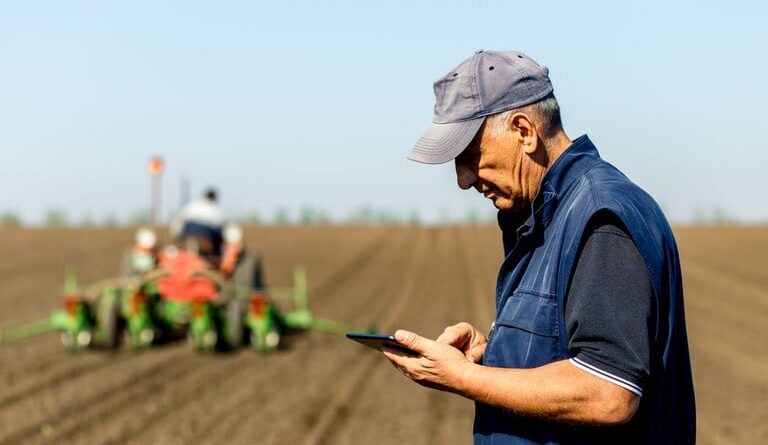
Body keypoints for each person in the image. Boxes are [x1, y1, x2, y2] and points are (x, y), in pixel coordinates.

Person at [383, 50, 695, 444]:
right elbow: (564, 348)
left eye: (468, 155)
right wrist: (495, 350)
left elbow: (609, 392)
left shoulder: (599, 218)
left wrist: (465, 377)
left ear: (524, 131)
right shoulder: (548, 214)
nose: (463, 179)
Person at [170, 188, 225, 256]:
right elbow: (219, 230)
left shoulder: (192, 206)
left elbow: (178, 222)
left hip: (188, 234)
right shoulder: (215, 211)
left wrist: (176, 236)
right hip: (204, 235)